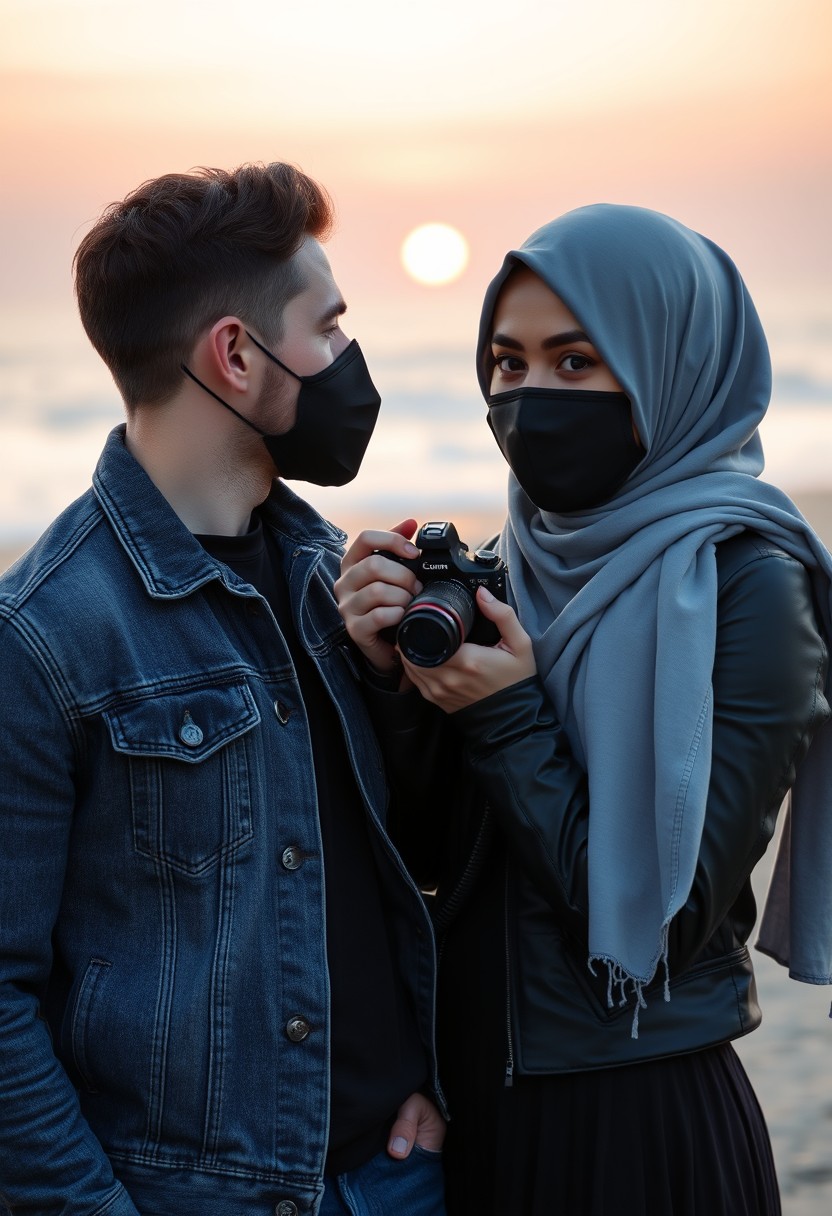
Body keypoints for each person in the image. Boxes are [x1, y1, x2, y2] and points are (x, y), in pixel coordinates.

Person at [335, 204, 832, 1215]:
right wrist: (391, 682)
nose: (527, 396)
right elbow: (437, 860)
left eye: (572, 362)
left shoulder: (751, 588)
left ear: (669, 365)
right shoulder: (510, 572)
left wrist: (506, 714)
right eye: (506, 365)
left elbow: (664, 923)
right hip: (482, 1118)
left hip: (638, 1128)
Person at [0, 162, 447, 1215]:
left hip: (396, 1177)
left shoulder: (328, 577)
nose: (347, 360)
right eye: (328, 328)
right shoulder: (43, 635)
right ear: (236, 354)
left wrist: (432, 1085)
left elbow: (410, 868)